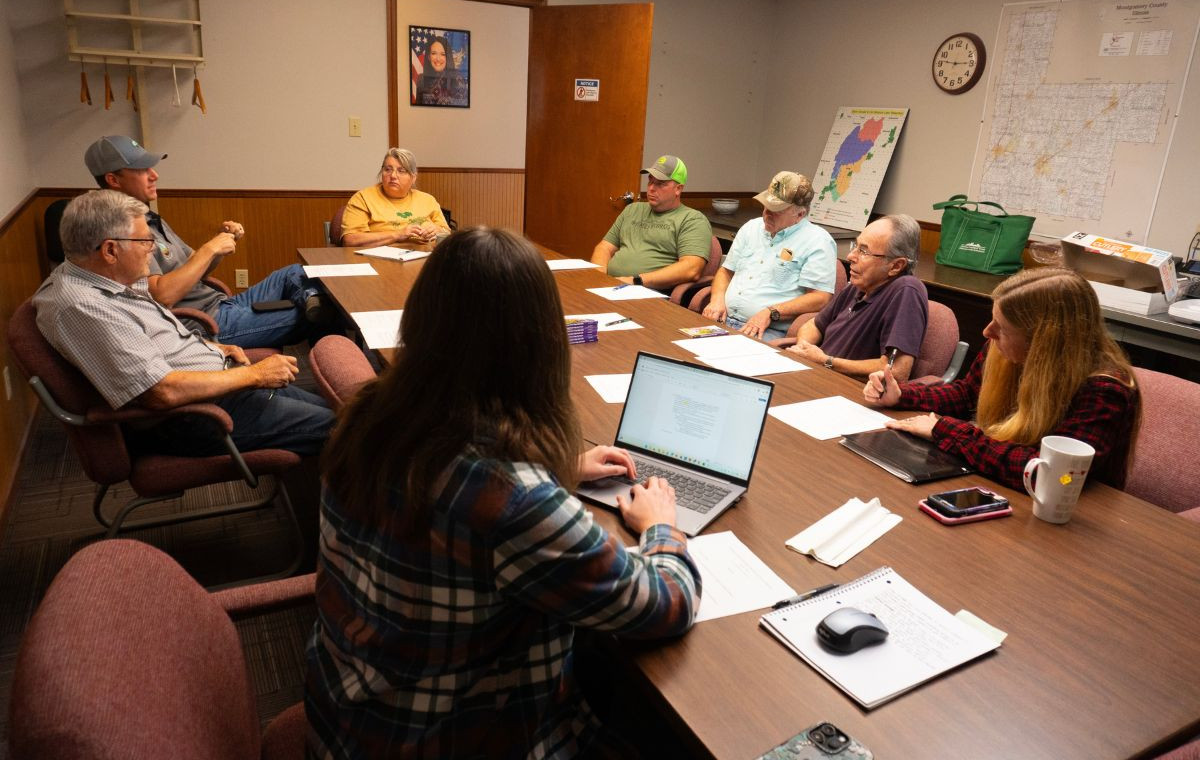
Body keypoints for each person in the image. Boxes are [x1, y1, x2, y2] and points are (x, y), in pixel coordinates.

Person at [306, 227, 700, 759]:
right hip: (442, 740)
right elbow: (663, 605)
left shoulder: (372, 418)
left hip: (350, 714)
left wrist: (560, 468)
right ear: (540, 342)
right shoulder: (513, 497)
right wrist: (660, 527)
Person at [33, 190, 334, 457]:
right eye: (144, 241)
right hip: (196, 416)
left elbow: (157, 335)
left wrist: (213, 346)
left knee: (342, 413)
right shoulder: (83, 307)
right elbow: (159, 392)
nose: (152, 250)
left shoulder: (106, 279)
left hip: (218, 383)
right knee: (346, 431)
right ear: (110, 250)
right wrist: (254, 376)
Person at [863, 267, 1141, 490]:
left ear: (1043, 341)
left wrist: (943, 430)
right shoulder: (1005, 349)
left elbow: (1049, 474)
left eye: (1003, 328)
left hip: (1068, 519)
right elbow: (969, 394)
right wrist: (902, 394)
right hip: (999, 485)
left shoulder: (1104, 389)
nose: (987, 332)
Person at [86, 135, 328, 349]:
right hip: (203, 322)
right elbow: (162, 295)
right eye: (142, 169)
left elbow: (196, 268)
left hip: (221, 304)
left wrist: (219, 247)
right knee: (325, 313)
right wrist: (210, 249)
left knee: (294, 272)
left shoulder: (147, 216)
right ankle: (318, 319)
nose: (154, 175)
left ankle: (311, 300)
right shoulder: (119, 230)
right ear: (113, 180)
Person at [782, 214, 927, 381]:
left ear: (896, 266)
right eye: (856, 246)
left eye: (863, 251)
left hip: (846, 391)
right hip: (814, 375)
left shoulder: (906, 291)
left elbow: (896, 370)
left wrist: (826, 362)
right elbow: (813, 325)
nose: (851, 256)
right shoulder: (858, 284)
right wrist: (804, 349)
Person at [702, 171, 836, 341]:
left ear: (800, 214)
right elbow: (726, 272)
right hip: (722, 318)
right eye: (766, 206)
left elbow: (820, 298)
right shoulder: (751, 228)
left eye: (776, 210)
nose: (767, 213)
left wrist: (771, 312)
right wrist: (717, 299)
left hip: (766, 330)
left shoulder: (818, 241)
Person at [589, 154, 712, 289]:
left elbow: (691, 268)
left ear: (678, 189)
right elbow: (604, 247)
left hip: (648, 291)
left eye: (660, 183)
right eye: (650, 181)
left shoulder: (692, 219)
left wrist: (636, 281)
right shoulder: (632, 210)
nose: (651, 188)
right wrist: (599, 277)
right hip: (611, 287)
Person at [338, 148, 450, 248]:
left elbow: (447, 233)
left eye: (401, 171)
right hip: (377, 261)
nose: (393, 176)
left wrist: (437, 230)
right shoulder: (363, 198)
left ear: (413, 177)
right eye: (388, 169)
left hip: (424, 260)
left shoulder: (427, 200)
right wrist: (398, 235)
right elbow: (350, 240)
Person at [416, 35, 465, 106]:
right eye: (434, 53)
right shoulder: (421, 79)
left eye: (442, 54)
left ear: (448, 57)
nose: (438, 59)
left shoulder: (457, 79)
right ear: (429, 57)